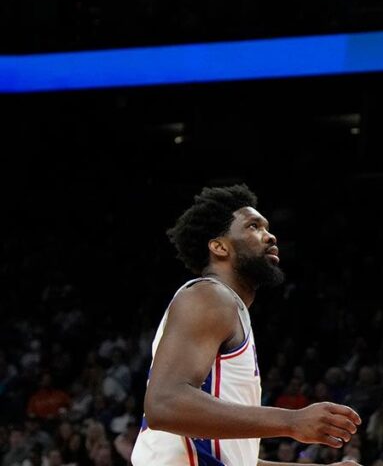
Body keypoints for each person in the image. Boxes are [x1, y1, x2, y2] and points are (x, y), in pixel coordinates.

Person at [132, 184, 362, 466]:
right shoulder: (209, 296)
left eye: (266, 227)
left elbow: (240, 460)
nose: (270, 236)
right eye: (253, 226)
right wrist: (291, 420)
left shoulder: (229, 310)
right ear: (219, 246)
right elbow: (163, 405)